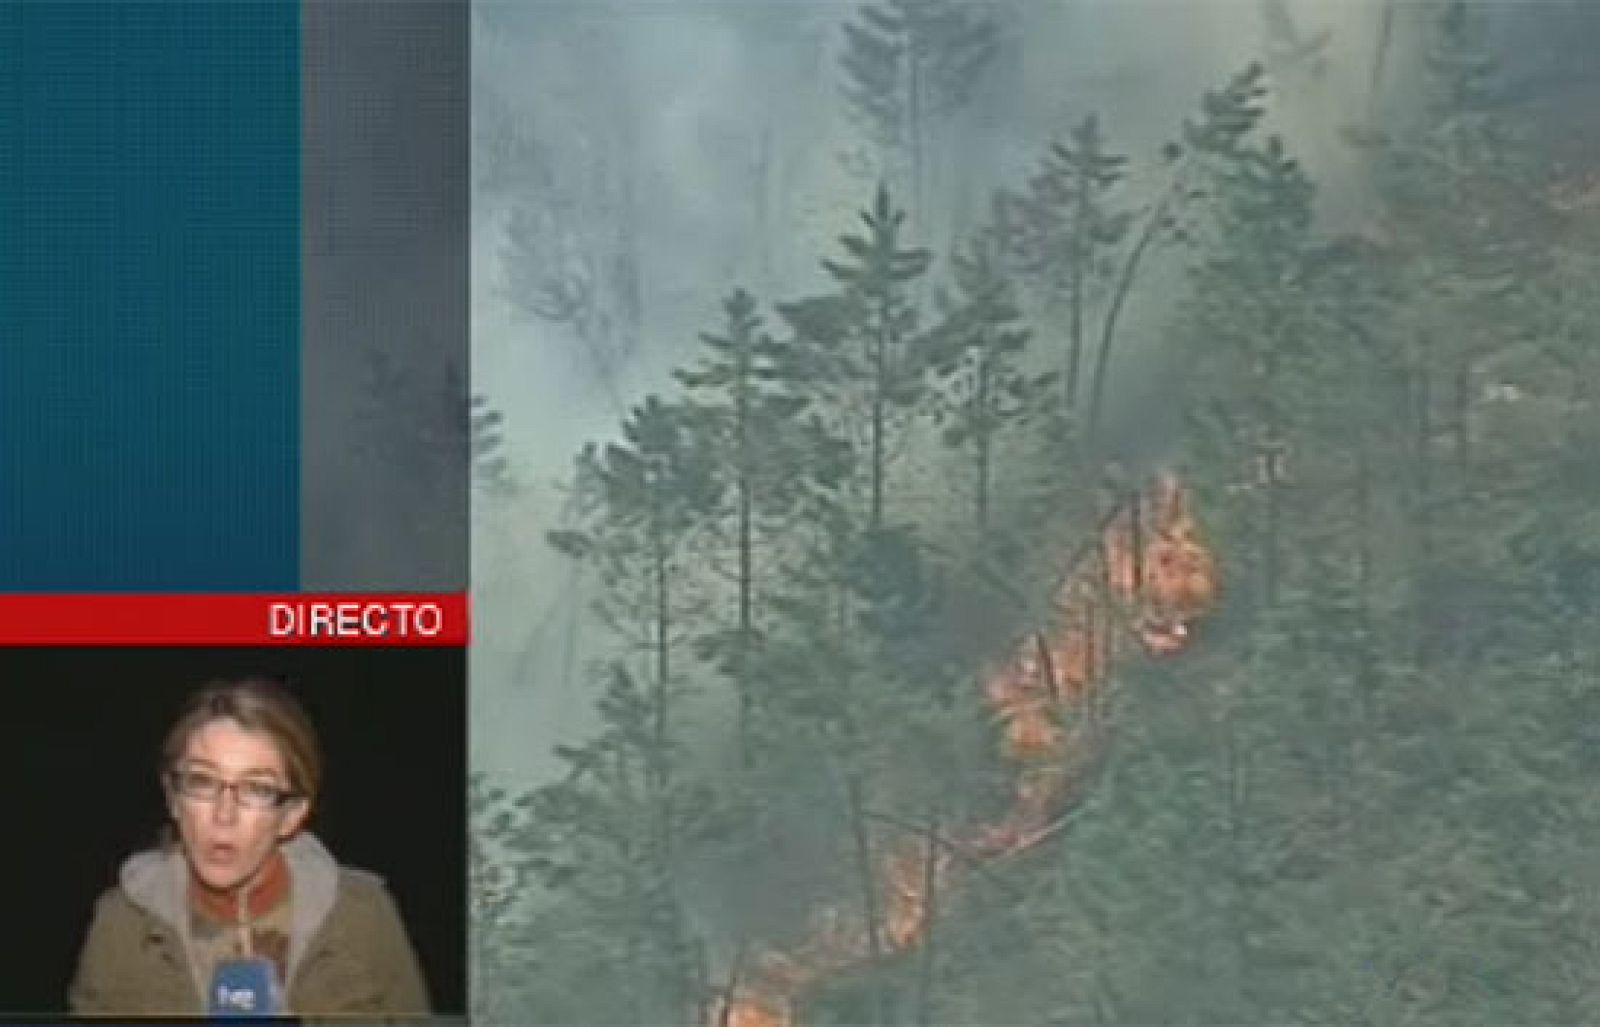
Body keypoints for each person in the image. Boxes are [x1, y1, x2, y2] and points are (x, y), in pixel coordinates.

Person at [69, 676, 431, 1017]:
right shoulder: (120, 925)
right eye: (202, 781)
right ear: (174, 798)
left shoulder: (363, 916)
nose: (223, 814)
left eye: (256, 788)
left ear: (291, 814)